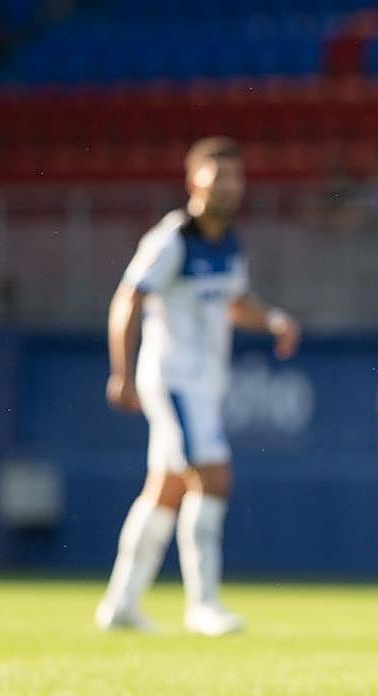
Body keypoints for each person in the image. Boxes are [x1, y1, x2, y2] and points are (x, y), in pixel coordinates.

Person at [95, 136, 300, 636]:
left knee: (165, 489)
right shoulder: (173, 239)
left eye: (234, 176)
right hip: (174, 379)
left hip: (203, 382)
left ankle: (121, 602)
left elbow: (231, 301)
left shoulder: (227, 241)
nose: (228, 186)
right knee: (213, 476)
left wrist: (272, 319)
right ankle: (202, 604)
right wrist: (121, 371)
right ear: (194, 182)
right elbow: (129, 298)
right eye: (217, 176)